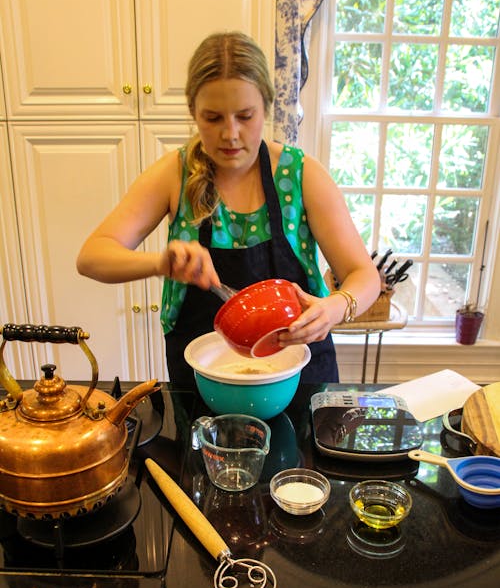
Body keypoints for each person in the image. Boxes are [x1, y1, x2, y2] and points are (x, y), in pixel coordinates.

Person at [77, 31, 380, 387]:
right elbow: (91, 257)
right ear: (193, 112)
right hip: (203, 380)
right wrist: (161, 263)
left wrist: (336, 306)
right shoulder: (175, 174)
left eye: (245, 116)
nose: (230, 134)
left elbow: (364, 275)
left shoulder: (302, 176)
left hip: (299, 375)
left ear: (266, 107)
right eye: (213, 118)